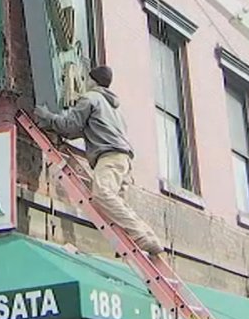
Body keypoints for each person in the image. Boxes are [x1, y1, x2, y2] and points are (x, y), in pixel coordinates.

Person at [33, 65, 164, 254]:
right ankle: (148, 236)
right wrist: (56, 125)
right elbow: (79, 130)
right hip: (123, 159)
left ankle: (141, 237)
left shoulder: (90, 98)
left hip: (108, 156)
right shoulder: (114, 108)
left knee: (102, 194)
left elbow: (70, 125)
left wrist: (47, 116)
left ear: (91, 80)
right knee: (118, 203)